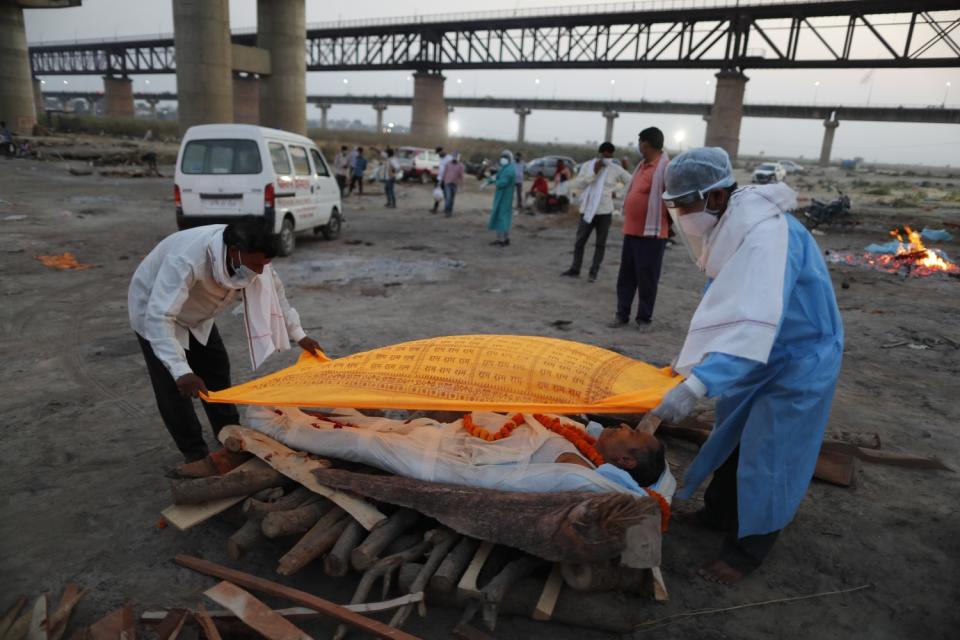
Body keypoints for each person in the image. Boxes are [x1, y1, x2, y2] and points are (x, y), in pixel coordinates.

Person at [650, 147, 843, 585]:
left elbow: (755, 322)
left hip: (797, 358)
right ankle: (719, 514)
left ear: (715, 198)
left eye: (683, 204)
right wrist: (692, 365)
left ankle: (748, 550)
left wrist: (697, 384)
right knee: (734, 438)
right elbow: (728, 310)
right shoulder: (737, 225)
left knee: (771, 453)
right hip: (759, 355)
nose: (680, 214)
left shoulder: (765, 238)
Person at [128, 217, 324, 472]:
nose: (261, 272)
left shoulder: (254, 256)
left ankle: (228, 436)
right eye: (256, 265)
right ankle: (194, 453)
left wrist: (299, 334)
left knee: (217, 369)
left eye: (265, 264)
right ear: (234, 252)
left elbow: (276, 292)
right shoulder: (187, 260)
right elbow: (160, 316)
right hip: (155, 313)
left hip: (199, 316)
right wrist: (181, 370)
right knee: (175, 390)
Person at [610, 127, 671, 330]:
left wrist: (668, 227)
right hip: (632, 231)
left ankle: (644, 318)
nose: (639, 146)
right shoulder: (641, 166)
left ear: (646, 144)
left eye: (640, 142)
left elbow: (672, 200)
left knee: (647, 278)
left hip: (652, 234)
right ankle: (621, 314)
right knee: (626, 276)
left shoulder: (665, 168)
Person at [561, 142, 632, 283]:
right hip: (587, 210)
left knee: (600, 244)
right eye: (604, 154)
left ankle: (593, 272)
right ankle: (575, 268)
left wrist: (617, 194)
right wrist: (594, 172)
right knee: (579, 242)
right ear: (600, 153)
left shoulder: (615, 169)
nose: (607, 157)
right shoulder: (588, 166)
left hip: (605, 212)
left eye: (610, 155)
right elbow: (580, 184)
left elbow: (631, 181)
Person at [487, 150, 517, 247]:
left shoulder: (509, 170)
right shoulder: (505, 168)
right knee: (502, 218)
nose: (502, 159)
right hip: (502, 196)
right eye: (502, 157)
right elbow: (498, 176)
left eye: (504, 157)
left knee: (502, 218)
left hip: (505, 197)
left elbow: (502, 183)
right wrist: (492, 179)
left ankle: (503, 240)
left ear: (509, 159)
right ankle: (502, 238)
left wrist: (494, 181)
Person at [432, 147, 450, 213]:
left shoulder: (449, 158)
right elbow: (441, 168)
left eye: (439, 153)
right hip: (439, 178)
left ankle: (447, 209)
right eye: (437, 154)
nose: (438, 155)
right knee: (437, 193)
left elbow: (450, 170)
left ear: (442, 151)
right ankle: (435, 208)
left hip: (446, 179)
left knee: (446, 195)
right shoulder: (441, 158)